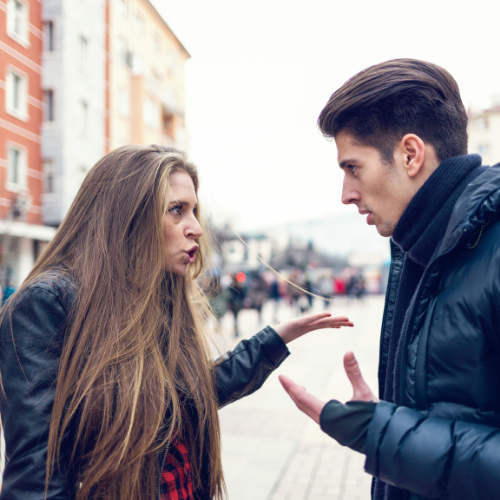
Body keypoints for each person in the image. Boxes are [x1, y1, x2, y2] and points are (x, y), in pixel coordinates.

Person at [0, 145, 354, 500]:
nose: (197, 228)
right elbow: (37, 477)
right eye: (177, 210)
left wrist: (272, 340)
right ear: (127, 215)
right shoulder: (47, 303)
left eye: (195, 211)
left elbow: (181, 396)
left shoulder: (155, 293)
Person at [279, 59, 500, 500]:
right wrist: (386, 416)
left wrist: (383, 434)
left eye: (353, 168)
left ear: (410, 154)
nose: (345, 194)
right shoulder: (422, 244)